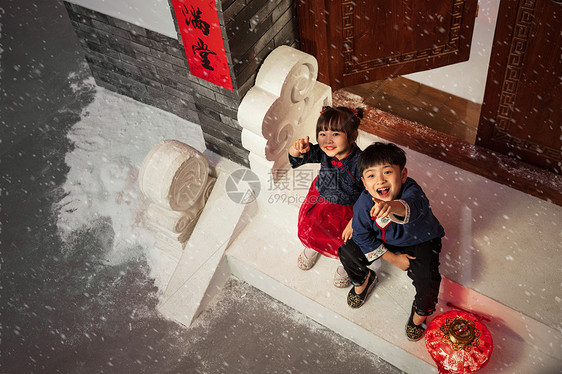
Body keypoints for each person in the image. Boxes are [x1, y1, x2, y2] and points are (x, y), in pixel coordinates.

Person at [338, 142, 444, 341]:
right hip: (383, 241)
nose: (380, 181)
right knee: (347, 252)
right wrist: (393, 259)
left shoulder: (412, 191)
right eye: (371, 176)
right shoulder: (364, 202)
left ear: (402, 175)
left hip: (418, 239)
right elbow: (362, 235)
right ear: (364, 182)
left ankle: (420, 313)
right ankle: (363, 280)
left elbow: (413, 205)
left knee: (427, 279)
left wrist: (392, 206)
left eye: (387, 172)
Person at [288, 106, 364, 288]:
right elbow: (299, 158)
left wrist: (356, 219)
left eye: (336, 134)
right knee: (315, 225)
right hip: (321, 198)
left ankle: (346, 262)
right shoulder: (323, 152)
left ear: (353, 135)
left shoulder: (361, 163)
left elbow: (368, 193)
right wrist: (295, 150)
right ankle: (314, 245)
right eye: (323, 133)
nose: (328, 140)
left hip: (347, 208)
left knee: (343, 239)